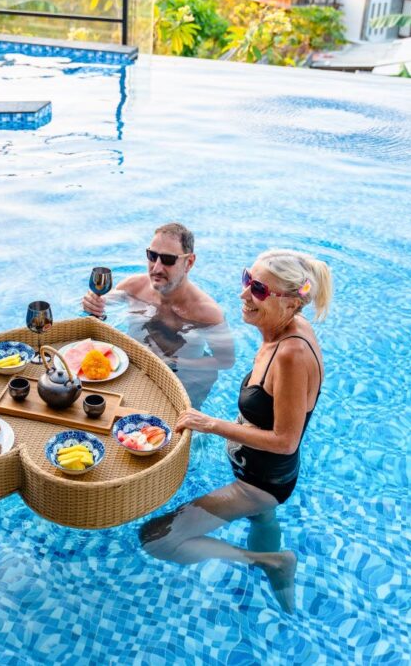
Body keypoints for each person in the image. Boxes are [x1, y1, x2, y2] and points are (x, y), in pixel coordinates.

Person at [139, 248, 332, 613]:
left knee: (157, 539)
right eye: (247, 279)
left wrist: (211, 425)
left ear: (291, 303)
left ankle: (268, 561)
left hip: (259, 483)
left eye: (258, 289)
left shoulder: (291, 354)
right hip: (261, 473)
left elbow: (286, 441)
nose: (244, 293)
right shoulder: (281, 328)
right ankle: (286, 600)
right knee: (262, 518)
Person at [81, 222, 235, 407]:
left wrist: (176, 361)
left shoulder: (207, 313)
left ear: (189, 262)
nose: (157, 268)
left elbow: (225, 361)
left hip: (182, 381)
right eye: (152, 256)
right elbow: (100, 305)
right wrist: (92, 303)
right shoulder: (133, 287)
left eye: (168, 260)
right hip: (133, 370)